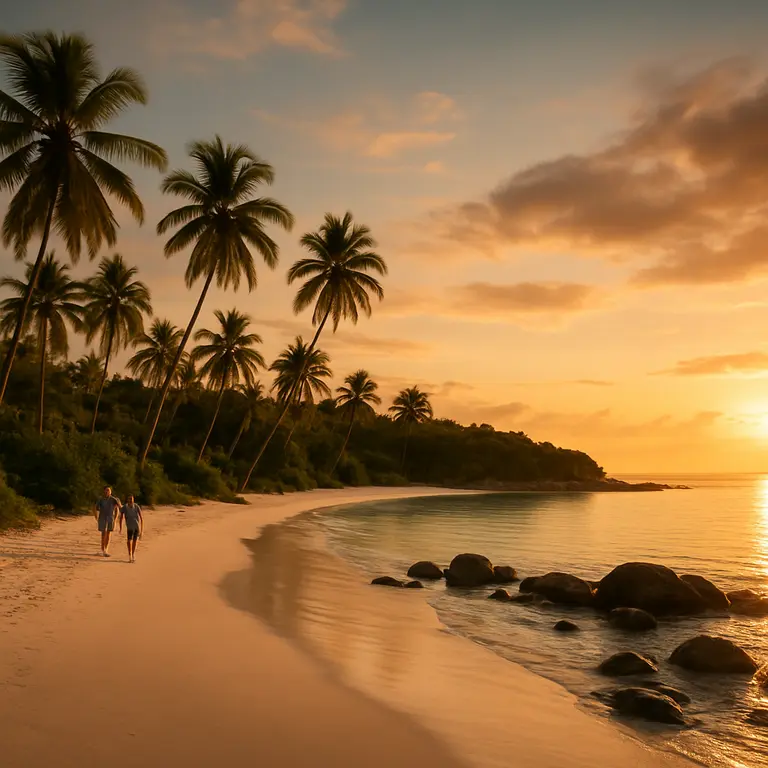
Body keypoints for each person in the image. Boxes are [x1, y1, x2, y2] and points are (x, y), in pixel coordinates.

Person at [94, 486, 121, 557]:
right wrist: (96, 517)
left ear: (110, 491)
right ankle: (103, 549)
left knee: (108, 533)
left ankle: (106, 549)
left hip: (110, 518)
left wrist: (115, 519)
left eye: (108, 490)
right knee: (103, 533)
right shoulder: (101, 499)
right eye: (106, 490)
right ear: (104, 491)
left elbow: (119, 508)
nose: (107, 492)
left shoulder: (113, 499)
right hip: (102, 518)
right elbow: (95, 508)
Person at [119, 495, 144, 563]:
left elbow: (141, 518)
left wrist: (142, 530)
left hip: (136, 526)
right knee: (129, 540)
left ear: (133, 500)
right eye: (129, 499)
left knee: (135, 541)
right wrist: (120, 528)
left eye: (131, 499)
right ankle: (130, 555)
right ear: (127, 500)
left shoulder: (136, 506)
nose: (130, 500)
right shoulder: (125, 507)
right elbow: (121, 517)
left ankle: (133, 554)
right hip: (129, 526)